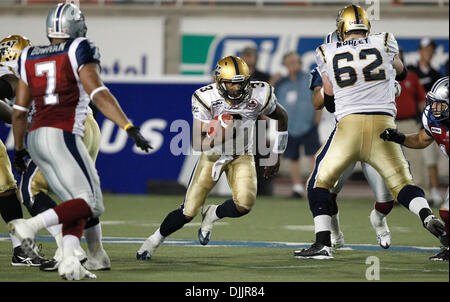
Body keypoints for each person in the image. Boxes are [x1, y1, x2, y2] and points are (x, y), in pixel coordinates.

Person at [8, 2, 151, 280]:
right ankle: (30, 225)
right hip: (63, 132)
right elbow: (98, 92)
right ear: (75, 27)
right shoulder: (78, 47)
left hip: (36, 135)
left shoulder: (28, 55)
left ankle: (72, 260)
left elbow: (19, 112)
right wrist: (128, 126)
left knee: (75, 199)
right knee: (92, 203)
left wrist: (19, 149)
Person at [294, 4, 447, 260]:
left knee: (318, 183)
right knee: (402, 185)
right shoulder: (385, 40)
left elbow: (328, 98)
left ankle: (323, 244)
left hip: (349, 126)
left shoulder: (326, 51)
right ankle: (426, 215)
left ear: (342, 28)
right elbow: (401, 71)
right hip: (384, 125)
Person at [136, 55, 288, 260]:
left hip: (242, 154)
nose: (237, 89)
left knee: (244, 205)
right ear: (219, 82)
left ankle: (213, 214)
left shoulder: (261, 93)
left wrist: (276, 153)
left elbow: (282, 117)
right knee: (188, 212)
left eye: (241, 83)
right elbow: (197, 143)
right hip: (212, 156)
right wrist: (220, 136)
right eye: (230, 85)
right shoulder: (205, 97)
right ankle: (153, 241)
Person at [308, 30, 399, 250]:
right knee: (326, 190)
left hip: (374, 133)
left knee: (386, 197)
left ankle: (379, 220)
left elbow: (394, 88)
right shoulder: (328, 63)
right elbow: (317, 103)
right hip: (343, 135)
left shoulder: (373, 61)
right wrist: (329, 85)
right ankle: (335, 235)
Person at [381, 76, 449, 261]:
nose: (435, 109)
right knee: (446, 213)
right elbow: (421, 139)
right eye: (434, 104)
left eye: (440, 105)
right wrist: (400, 138)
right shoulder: (434, 119)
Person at [0, 34, 49, 267]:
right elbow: (9, 91)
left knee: (7, 189)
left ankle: (21, 250)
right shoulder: (6, 78)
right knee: (10, 190)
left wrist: (24, 122)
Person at [275, 51, 321, 198]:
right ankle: (297, 187)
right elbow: (273, 102)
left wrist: (317, 118)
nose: (293, 65)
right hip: (289, 126)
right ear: (285, 65)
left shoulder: (309, 78)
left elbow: (319, 97)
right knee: (292, 157)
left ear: (300, 63)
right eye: (289, 63)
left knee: (313, 155)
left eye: (295, 62)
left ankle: (315, 186)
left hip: (308, 124)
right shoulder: (282, 83)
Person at [408, 38, 444, 205]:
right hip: (417, 122)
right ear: (420, 51)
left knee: (431, 159)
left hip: (434, 123)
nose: (428, 53)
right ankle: (417, 192)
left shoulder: (436, 74)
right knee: (415, 160)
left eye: (431, 50)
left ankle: (435, 191)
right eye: (426, 49)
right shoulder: (412, 72)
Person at [240, 46, 273, 196]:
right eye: (245, 56)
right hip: (240, 121)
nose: (247, 59)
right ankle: (243, 188)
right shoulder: (236, 76)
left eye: (250, 56)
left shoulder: (263, 76)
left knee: (260, 154)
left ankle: (262, 188)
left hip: (258, 119)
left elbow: (268, 96)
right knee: (241, 154)